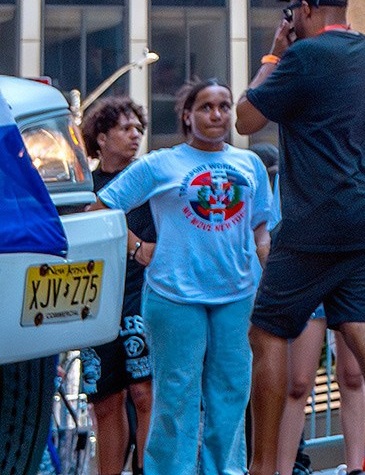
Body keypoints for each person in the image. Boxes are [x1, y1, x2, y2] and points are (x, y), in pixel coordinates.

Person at [235, 0, 365, 475]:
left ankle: (265, 467)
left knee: (267, 331)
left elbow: (245, 118)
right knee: (361, 324)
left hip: (317, 220)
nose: (288, 18)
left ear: (307, 10)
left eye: (291, 10)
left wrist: (274, 53)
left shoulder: (304, 57)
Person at [98, 81, 277, 475]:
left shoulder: (250, 165)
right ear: (187, 115)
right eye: (206, 107)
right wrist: (138, 248)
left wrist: (267, 271)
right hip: (174, 295)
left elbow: (261, 226)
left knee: (231, 393)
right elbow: (104, 206)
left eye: (224, 106)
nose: (217, 114)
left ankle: (225, 470)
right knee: (175, 395)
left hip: (237, 293)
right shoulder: (161, 163)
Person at [80, 97, 155, 475]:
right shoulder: (84, 187)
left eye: (139, 129)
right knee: (105, 403)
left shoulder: (150, 178)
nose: (135, 136)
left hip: (143, 296)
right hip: (96, 301)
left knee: (145, 395)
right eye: (126, 129)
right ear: (102, 136)